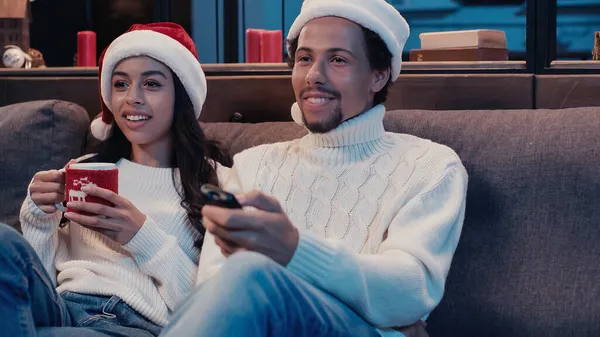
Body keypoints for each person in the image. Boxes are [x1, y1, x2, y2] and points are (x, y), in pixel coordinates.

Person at [160, 1, 468, 337]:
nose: (313, 76)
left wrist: (294, 250)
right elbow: (217, 293)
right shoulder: (254, 164)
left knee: (251, 272)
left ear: (378, 76)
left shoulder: (430, 165)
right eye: (305, 58)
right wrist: (373, 307)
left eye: (337, 60)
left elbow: (411, 291)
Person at [0, 22, 229, 337]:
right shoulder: (84, 169)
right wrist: (40, 218)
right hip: (61, 307)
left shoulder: (220, 182)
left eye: (151, 84)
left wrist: (141, 235)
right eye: (121, 84)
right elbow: (36, 284)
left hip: (132, 323)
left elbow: (214, 309)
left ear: (181, 94)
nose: (132, 98)